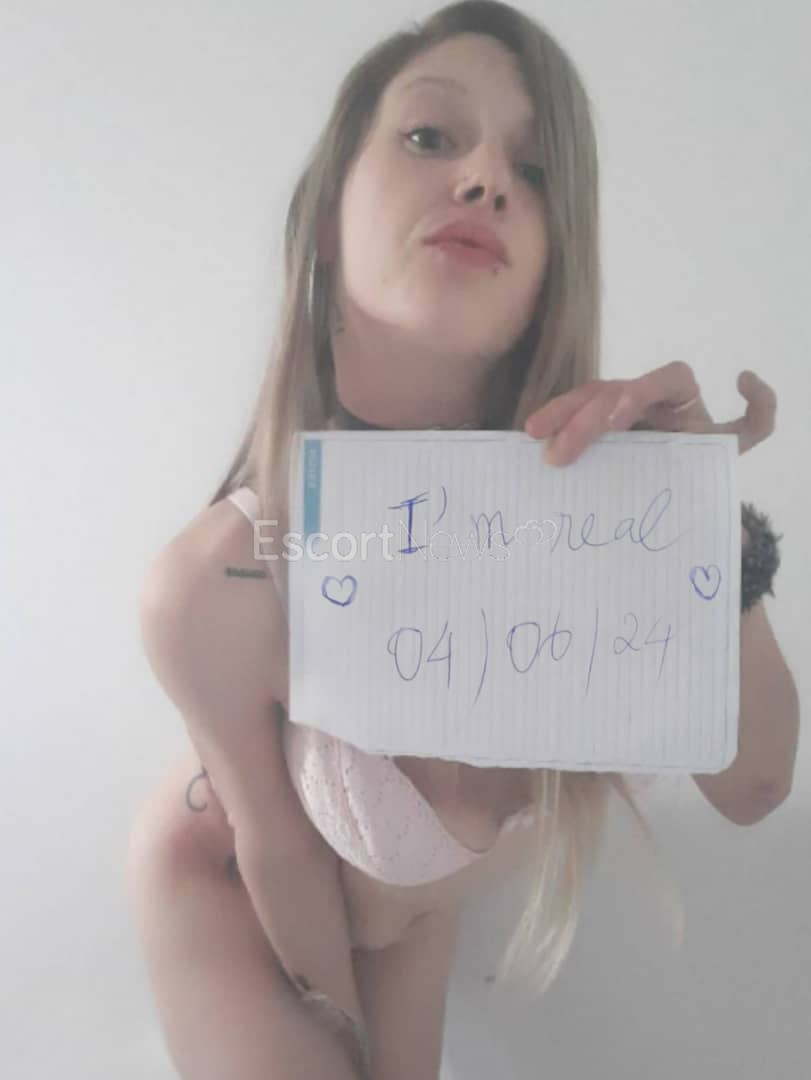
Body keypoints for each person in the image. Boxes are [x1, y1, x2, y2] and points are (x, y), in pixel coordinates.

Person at [127, 3, 798, 1078]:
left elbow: (755, 786)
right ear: (327, 210)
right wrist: (340, 1037)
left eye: (534, 170)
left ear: (554, 260)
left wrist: (705, 534)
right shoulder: (221, 578)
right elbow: (279, 852)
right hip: (232, 882)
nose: (485, 178)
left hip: (406, 903)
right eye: (429, 135)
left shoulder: (605, 519)